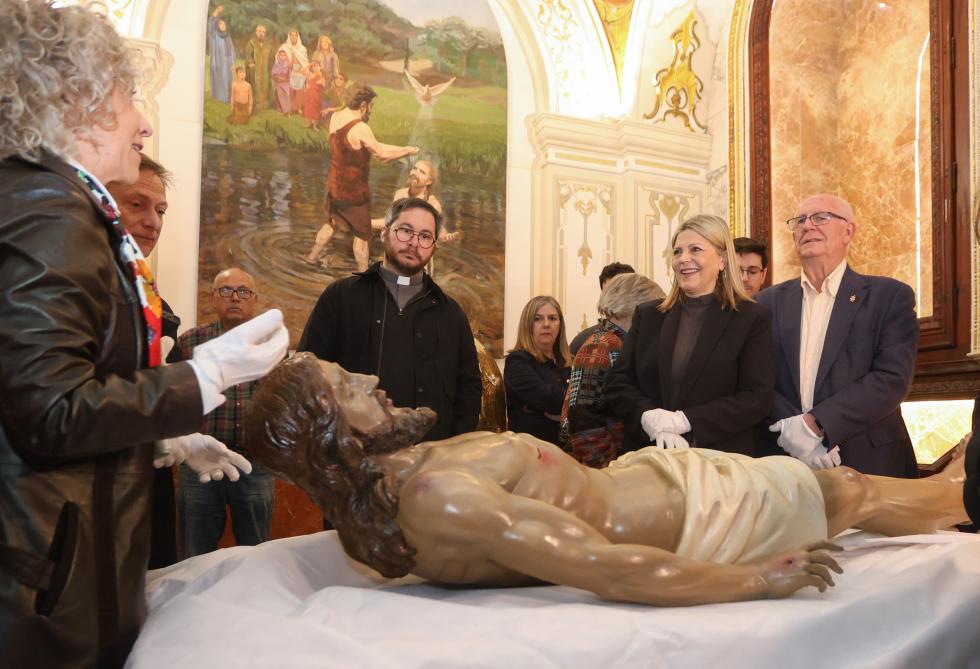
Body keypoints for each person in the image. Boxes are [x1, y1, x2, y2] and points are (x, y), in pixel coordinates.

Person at [0, 2, 289, 665]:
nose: (145, 122)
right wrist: (202, 377)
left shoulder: (47, 202)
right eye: (129, 97)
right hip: (44, 589)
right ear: (76, 101)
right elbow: (50, 414)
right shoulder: (50, 209)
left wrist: (158, 436)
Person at [245, 353, 970, 607]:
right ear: (332, 434)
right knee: (848, 492)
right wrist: (755, 580)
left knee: (852, 489)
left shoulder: (406, 468)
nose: (369, 380)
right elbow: (603, 565)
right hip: (686, 518)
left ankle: (958, 492)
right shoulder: (436, 500)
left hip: (650, 476)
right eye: (347, 386)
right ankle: (966, 496)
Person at [756, 194, 919, 477]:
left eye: (821, 218)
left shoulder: (889, 296)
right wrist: (793, 430)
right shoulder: (765, 303)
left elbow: (892, 378)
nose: (807, 226)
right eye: (800, 221)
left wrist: (817, 424)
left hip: (869, 463)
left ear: (848, 232)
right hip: (784, 460)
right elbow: (756, 379)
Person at [297, 197, 481, 443]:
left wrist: (454, 447)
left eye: (425, 236)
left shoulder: (451, 314)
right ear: (384, 233)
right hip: (354, 450)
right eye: (405, 231)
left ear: (434, 247)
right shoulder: (341, 296)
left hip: (430, 454)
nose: (414, 243)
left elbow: (468, 389)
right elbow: (310, 371)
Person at [605, 214, 773, 456]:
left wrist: (686, 421)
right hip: (650, 457)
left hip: (718, 461)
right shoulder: (648, 315)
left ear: (723, 260)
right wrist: (647, 416)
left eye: (695, 249)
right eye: (677, 252)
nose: (683, 259)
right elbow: (618, 382)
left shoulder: (751, 318)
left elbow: (756, 398)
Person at [167, 269, 277, 558]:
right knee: (194, 555)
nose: (235, 298)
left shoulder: (272, 346)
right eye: (226, 291)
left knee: (255, 555)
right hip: (199, 464)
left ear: (254, 300)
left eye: (243, 291)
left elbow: (283, 405)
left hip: (255, 466)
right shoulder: (189, 343)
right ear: (213, 298)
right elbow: (170, 399)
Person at [107, 153, 182, 568]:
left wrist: (172, 431)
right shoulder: (82, 285)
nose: (153, 221)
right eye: (137, 204)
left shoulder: (151, 297)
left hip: (148, 478)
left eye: (161, 210)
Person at [304, 85, 419, 271]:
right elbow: (382, 155)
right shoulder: (361, 128)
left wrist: (406, 149)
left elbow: (375, 146)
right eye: (371, 106)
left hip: (335, 186)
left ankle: (311, 258)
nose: (371, 111)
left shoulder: (335, 117)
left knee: (332, 223)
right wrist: (406, 151)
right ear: (363, 106)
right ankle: (364, 275)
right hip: (354, 193)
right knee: (362, 236)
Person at [560, 273, 664, 467]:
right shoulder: (601, 345)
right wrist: (608, 468)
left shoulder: (619, 343)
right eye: (654, 309)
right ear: (633, 307)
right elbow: (583, 420)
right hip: (606, 469)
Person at [504, 296, 571, 445]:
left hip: (567, 450)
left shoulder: (569, 362)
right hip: (530, 451)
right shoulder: (517, 361)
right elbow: (547, 398)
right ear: (527, 325)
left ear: (560, 325)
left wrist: (564, 413)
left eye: (552, 318)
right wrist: (570, 406)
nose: (546, 324)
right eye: (537, 319)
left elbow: (586, 404)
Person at [569, 261, 636, 355]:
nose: (609, 299)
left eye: (616, 291)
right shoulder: (583, 341)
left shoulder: (650, 339)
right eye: (606, 293)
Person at [207, 5, 236, 104]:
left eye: (224, 24)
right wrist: (216, 12)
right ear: (217, 26)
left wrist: (233, 62)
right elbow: (210, 25)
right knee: (220, 80)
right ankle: (219, 99)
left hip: (228, 63)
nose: (223, 26)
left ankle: (227, 99)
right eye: (221, 24)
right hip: (219, 61)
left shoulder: (228, 37)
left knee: (227, 80)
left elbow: (232, 51)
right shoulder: (214, 35)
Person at [243, 24, 273, 111]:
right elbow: (248, 55)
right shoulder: (251, 43)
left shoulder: (268, 45)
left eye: (263, 32)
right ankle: (255, 104)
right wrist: (250, 62)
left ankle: (265, 104)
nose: (261, 34)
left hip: (265, 70)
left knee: (266, 85)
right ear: (256, 32)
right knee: (255, 85)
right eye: (259, 31)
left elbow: (271, 57)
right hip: (254, 70)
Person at [279, 29, 308, 115]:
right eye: (292, 35)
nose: (294, 37)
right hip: (289, 71)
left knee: (300, 91)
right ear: (289, 36)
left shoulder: (302, 49)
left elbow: (305, 61)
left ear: (298, 37)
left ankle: (298, 107)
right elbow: (280, 59)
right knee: (290, 90)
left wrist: (301, 69)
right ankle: (289, 107)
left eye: (295, 35)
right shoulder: (284, 47)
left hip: (300, 71)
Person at [302, 61, 326, 129]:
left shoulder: (322, 76)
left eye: (317, 66)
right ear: (312, 68)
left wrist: (322, 82)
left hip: (316, 96)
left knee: (316, 109)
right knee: (308, 108)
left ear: (320, 67)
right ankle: (308, 123)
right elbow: (302, 71)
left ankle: (315, 125)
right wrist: (309, 64)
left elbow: (324, 86)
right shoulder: (310, 74)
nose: (316, 67)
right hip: (309, 94)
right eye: (314, 66)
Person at [271, 48, 292, 114]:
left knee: (287, 95)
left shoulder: (288, 64)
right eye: (281, 55)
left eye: (284, 55)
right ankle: (284, 110)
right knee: (281, 96)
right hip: (279, 83)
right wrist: (278, 77)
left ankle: (288, 110)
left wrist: (288, 79)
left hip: (286, 83)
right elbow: (273, 74)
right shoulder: (276, 64)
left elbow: (290, 73)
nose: (282, 57)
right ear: (278, 56)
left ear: (286, 56)